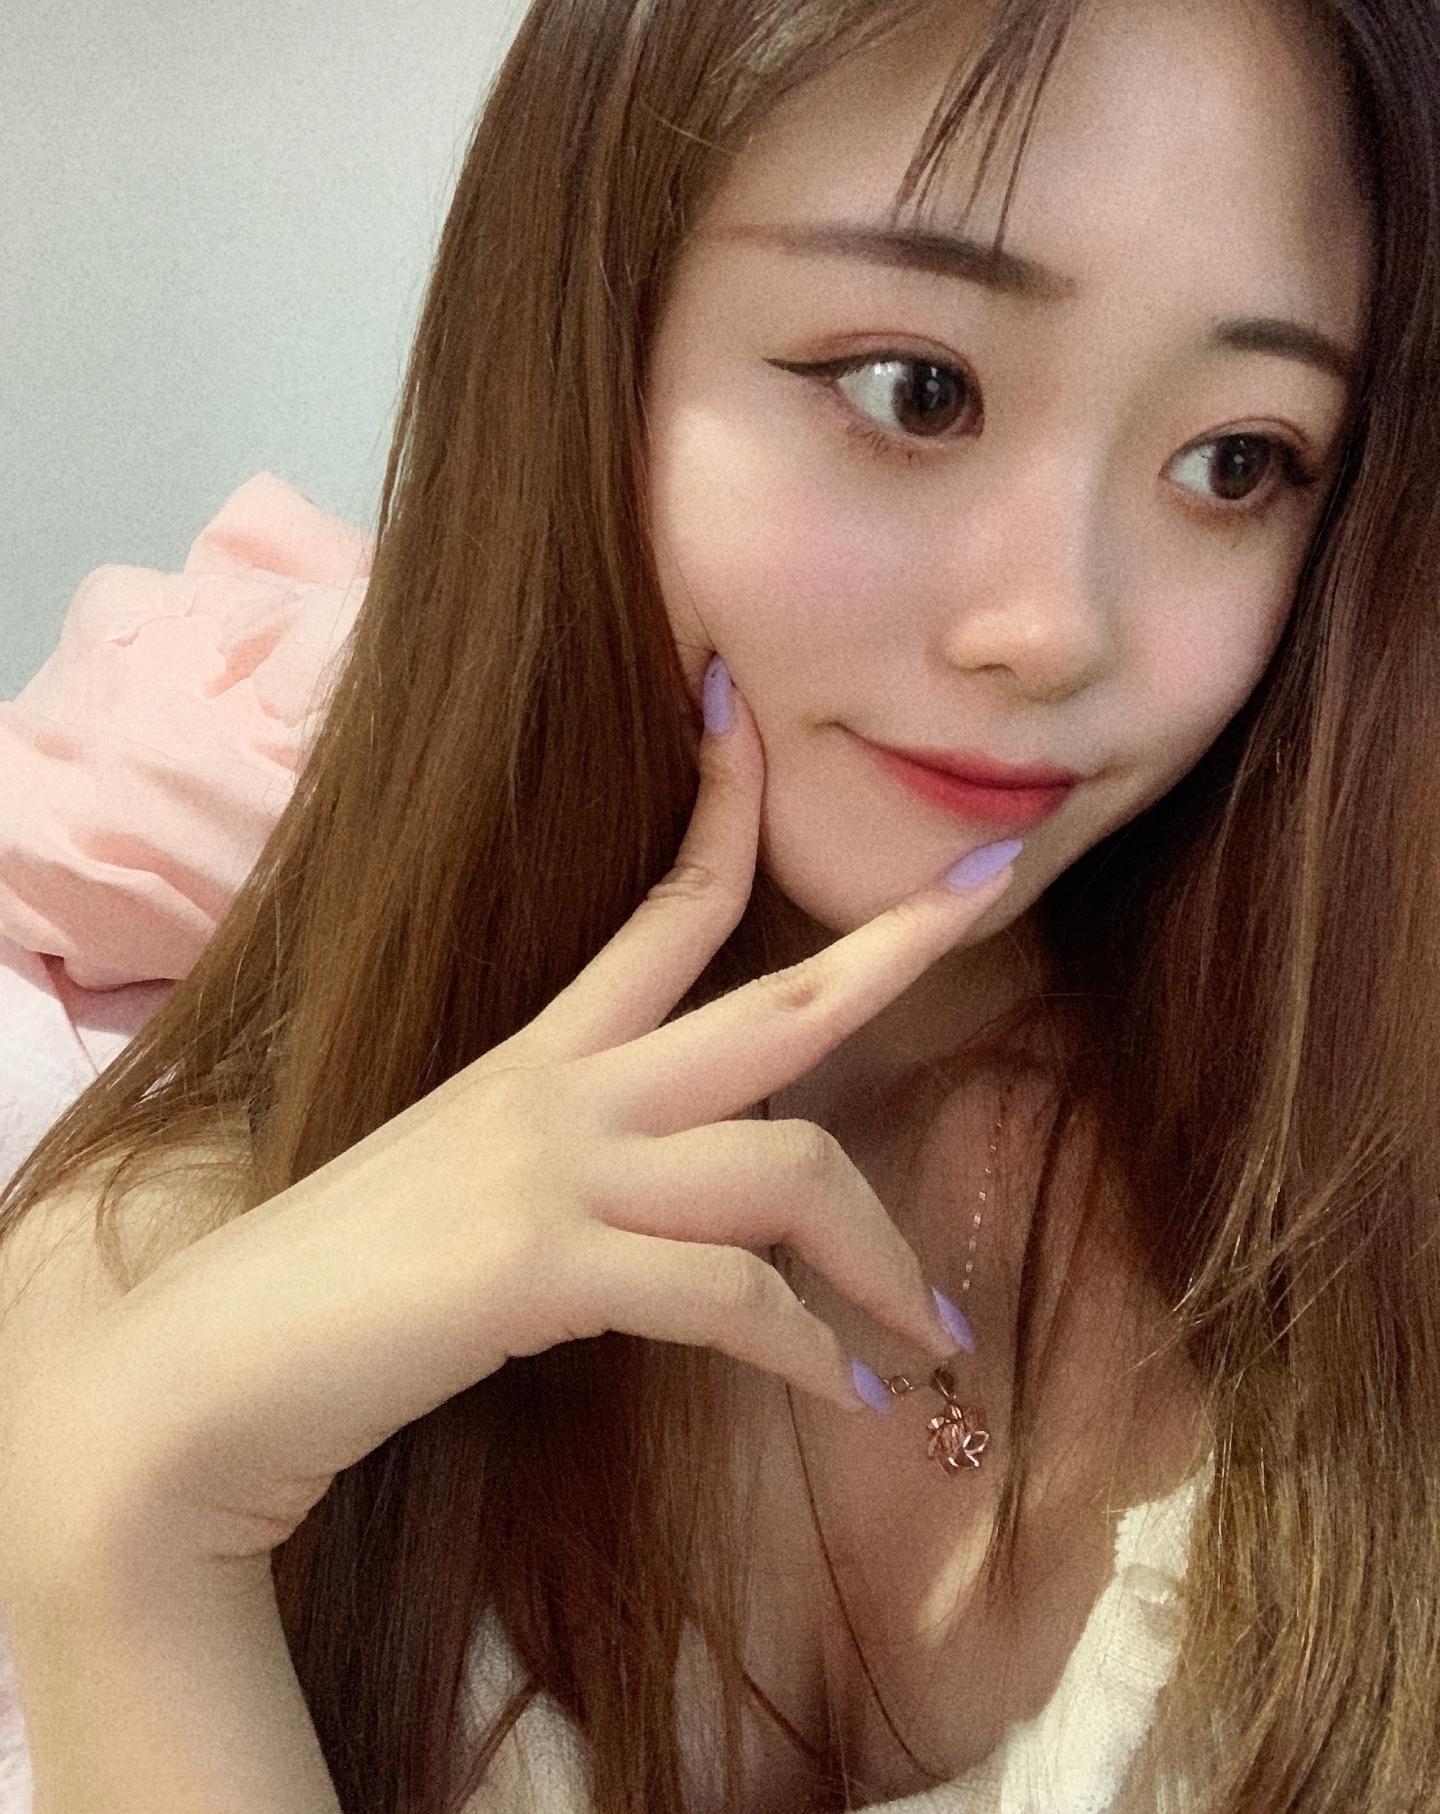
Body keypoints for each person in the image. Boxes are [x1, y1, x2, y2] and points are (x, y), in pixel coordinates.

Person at [0, 0, 1434, 1808]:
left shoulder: (1359, 1198)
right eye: (918, 389)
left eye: (1238, 461)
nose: (1059, 627)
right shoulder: (163, 1256)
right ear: (584, 354)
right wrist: (131, 1543)